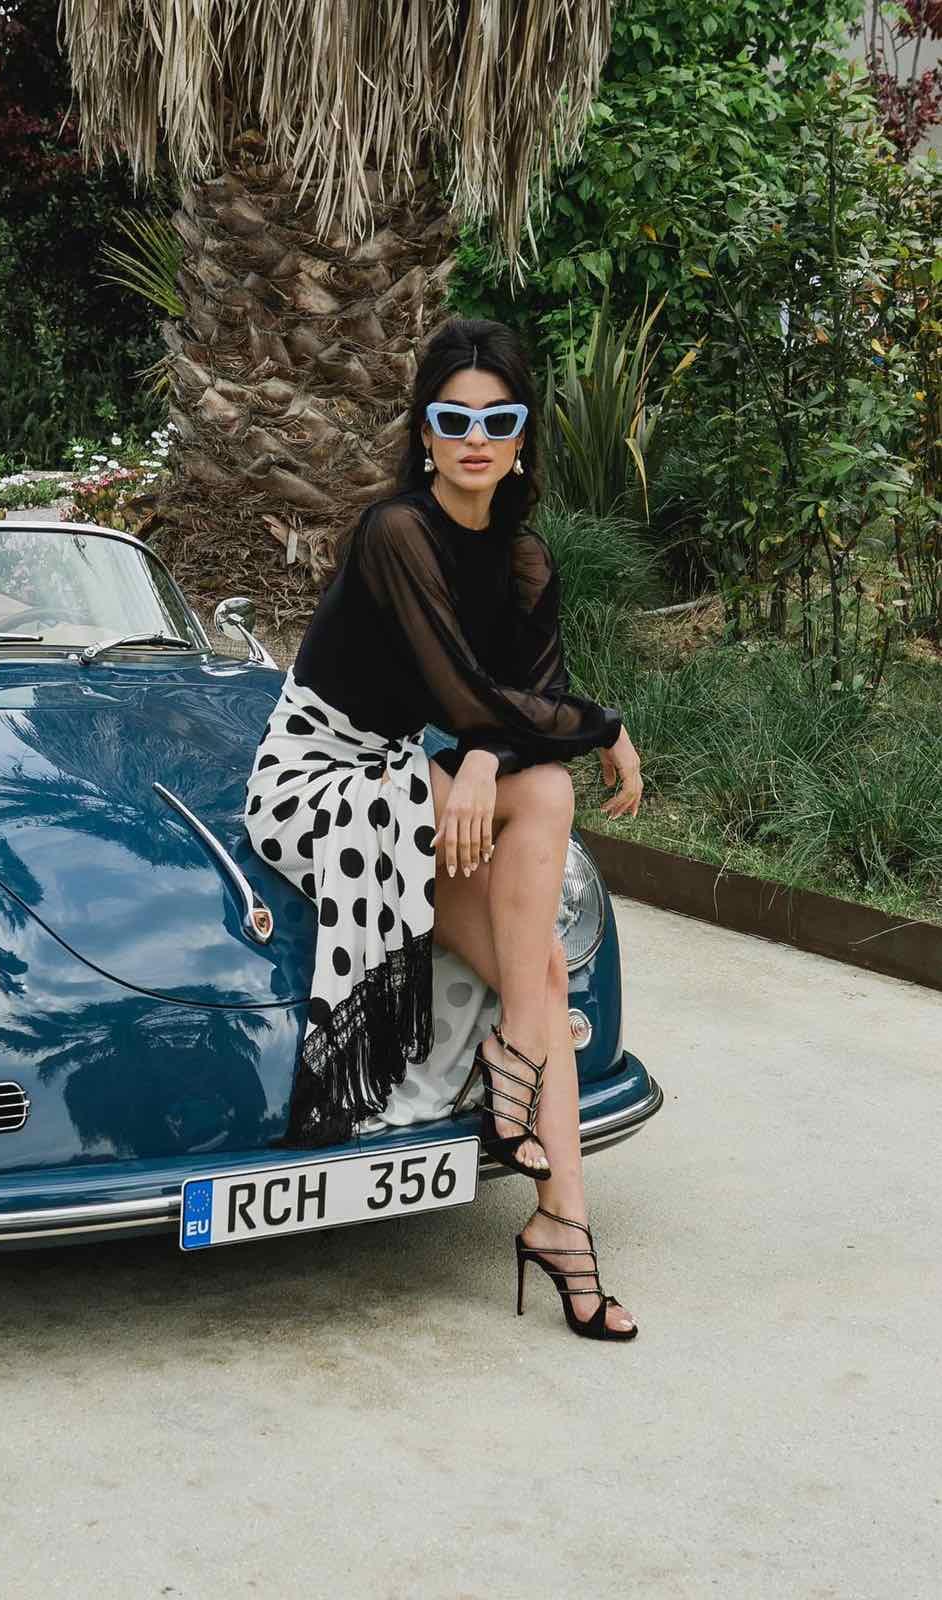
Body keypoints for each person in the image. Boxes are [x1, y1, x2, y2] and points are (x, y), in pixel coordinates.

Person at [243, 316, 644, 1341]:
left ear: (520, 440)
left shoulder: (522, 561)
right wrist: (599, 728)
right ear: (423, 432)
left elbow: (511, 706)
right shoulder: (395, 532)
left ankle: (561, 1224)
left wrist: (474, 761)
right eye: (451, 418)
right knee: (548, 789)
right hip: (316, 779)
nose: (474, 436)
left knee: (541, 966)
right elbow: (470, 693)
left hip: (414, 770)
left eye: (496, 419)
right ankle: (520, 1091)